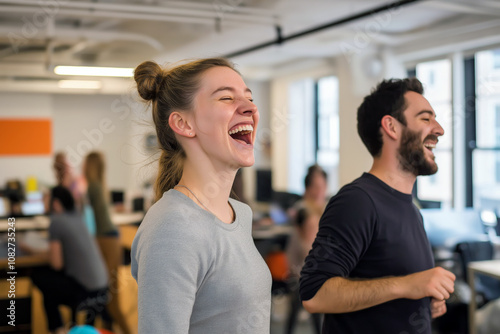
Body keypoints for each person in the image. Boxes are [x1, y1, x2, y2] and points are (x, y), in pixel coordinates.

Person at [299, 78, 456, 333]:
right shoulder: (358, 201)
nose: (439, 129)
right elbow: (315, 294)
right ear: (392, 126)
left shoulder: (411, 210)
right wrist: (407, 285)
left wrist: (421, 301)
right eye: (426, 119)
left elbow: (391, 291)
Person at [131, 58, 272, 333]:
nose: (251, 108)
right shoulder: (172, 228)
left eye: (249, 98)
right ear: (183, 123)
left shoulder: (240, 214)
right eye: (226, 98)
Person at [24, 186, 108, 334]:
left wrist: (32, 251)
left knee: (39, 276)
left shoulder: (57, 221)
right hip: (103, 289)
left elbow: (57, 264)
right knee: (49, 289)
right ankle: (60, 328)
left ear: (55, 203)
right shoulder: (77, 216)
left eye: (46, 199)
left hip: (85, 292)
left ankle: (58, 329)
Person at [83, 151, 131, 334]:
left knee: (112, 300)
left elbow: (90, 223)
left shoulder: (93, 188)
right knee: (107, 296)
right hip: (109, 238)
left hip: (106, 240)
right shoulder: (99, 186)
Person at [285, 165, 327, 334]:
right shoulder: (303, 212)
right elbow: (304, 250)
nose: (319, 192)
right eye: (315, 187)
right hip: (301, 270)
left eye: (322, 187)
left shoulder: (325, 209)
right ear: (308, 189)